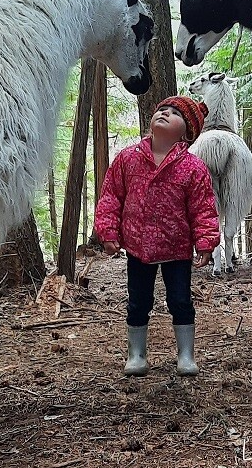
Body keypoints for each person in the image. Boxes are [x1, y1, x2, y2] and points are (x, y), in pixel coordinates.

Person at [94, 96, 220, 376]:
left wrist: (206, 241)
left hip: (177, 248)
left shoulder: (193, 167)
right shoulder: (128, 158)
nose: (164, 113)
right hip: (138, 248)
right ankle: (136, 355)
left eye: (174, 113)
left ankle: (186, 355)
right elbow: (111, 196)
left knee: (180, 301)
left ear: (186, 131)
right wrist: (108, 231)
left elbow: (203, 208)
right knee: (138, 301)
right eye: (162, 109)